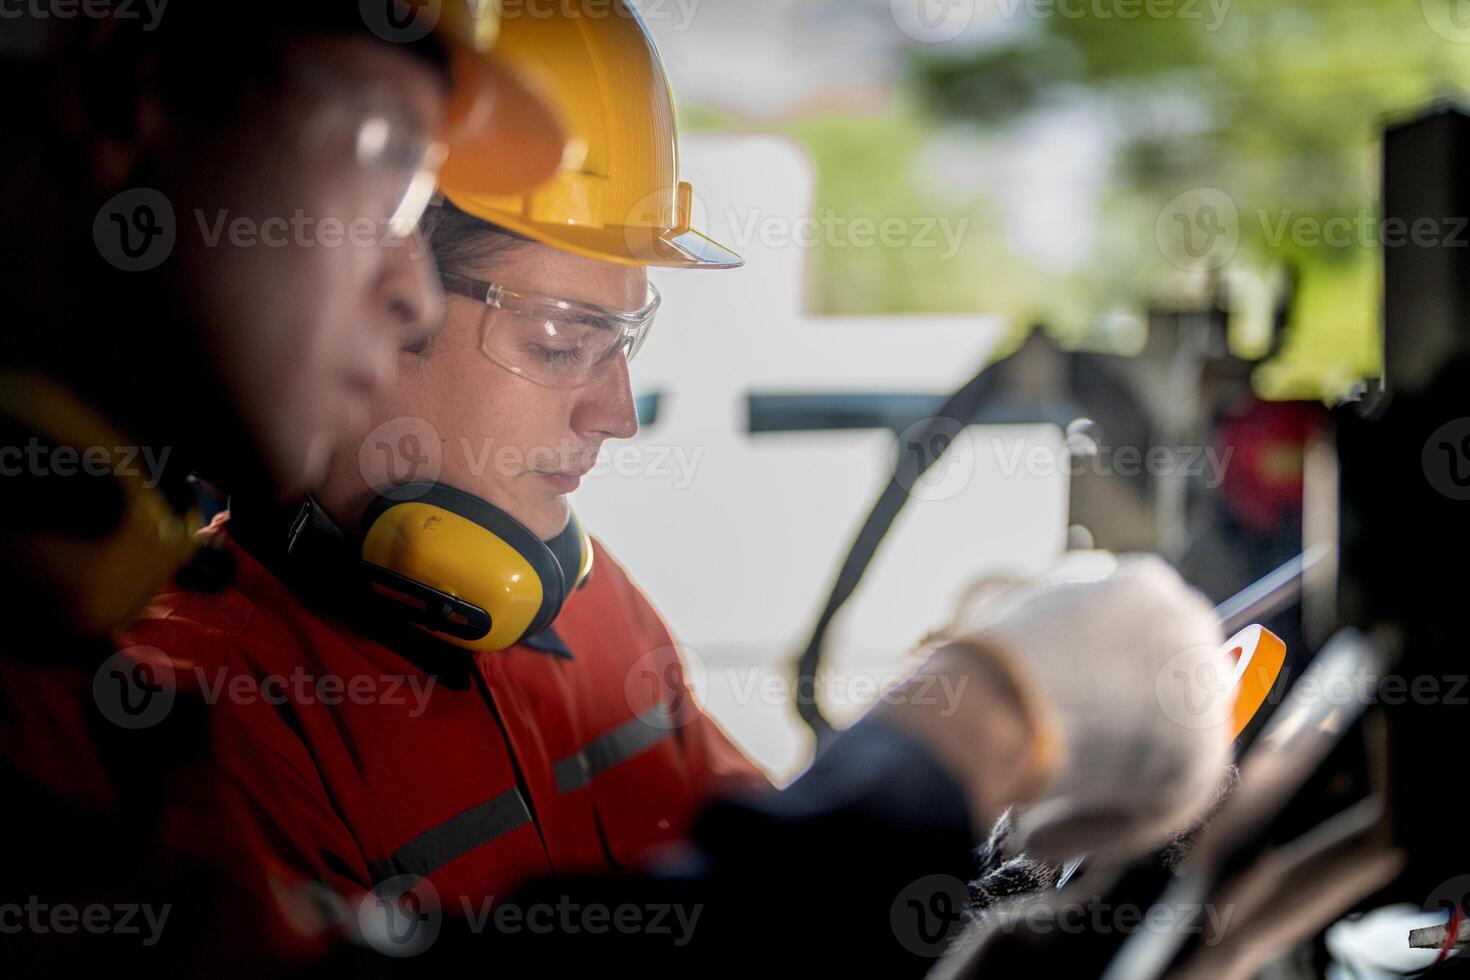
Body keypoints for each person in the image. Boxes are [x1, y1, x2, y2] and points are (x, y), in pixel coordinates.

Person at [118, 1, 766, 913]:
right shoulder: (201, 715)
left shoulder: (588, 598)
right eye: (559, 341)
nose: (617, 414)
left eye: (624, 336)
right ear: (370, 299)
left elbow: (781, 883)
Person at [0, 4, 564, 971]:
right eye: (390, 172)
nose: (413, 295)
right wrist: (893, 792)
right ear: (122, 93)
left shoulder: (59, 622)